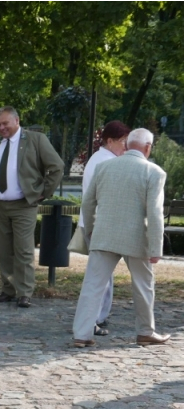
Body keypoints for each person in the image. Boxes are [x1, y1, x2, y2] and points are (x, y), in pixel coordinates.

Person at [71, 128, 168, 348]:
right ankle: (145, 332)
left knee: (92, 285)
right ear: (148, 147)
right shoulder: (154, 172)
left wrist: (91, 229)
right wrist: (156, 248)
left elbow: (87, 203)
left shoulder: (104, 167)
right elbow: (154, 213)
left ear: (126, 145)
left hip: (103, 235)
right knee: (143, 286)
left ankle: (82, 334)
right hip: (136, 238)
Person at [0, 106, 64, 308]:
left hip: (23, 205)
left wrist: (43, 192)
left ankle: (25, 292)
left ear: (17, 121)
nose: (1, 128)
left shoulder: (36, 140)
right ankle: (8, 289)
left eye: (5, 123)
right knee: (2, 250)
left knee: (24, 249)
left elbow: (57, 166)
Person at [79, 120, 131, 336]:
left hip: (97, 223)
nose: (126, 147)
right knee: (100, 275)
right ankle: (94, 317)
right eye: (123, 142)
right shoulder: (104, 161)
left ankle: (99, 315)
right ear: (110, 141)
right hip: (99, 224)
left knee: (103, 275)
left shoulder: (103, 159)